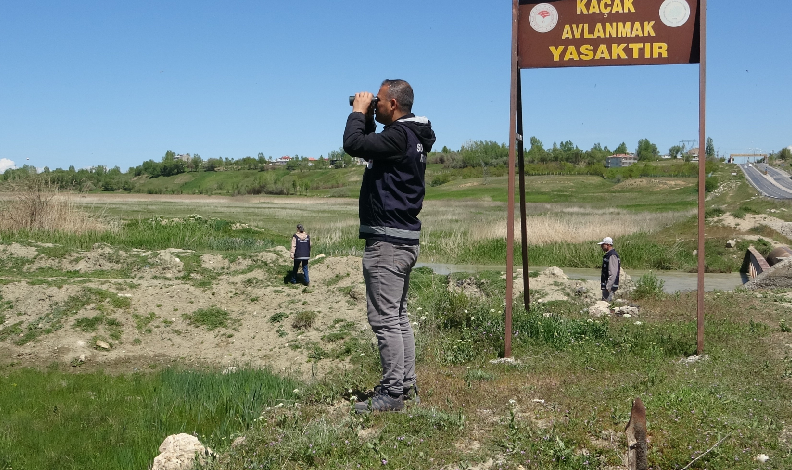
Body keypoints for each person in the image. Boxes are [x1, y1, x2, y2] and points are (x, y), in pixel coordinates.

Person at [343, 79, 436, 413]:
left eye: (378, 100)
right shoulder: (409, 137)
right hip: (403, 239)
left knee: (384, 320)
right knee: (397, 316)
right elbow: (369, 143)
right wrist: (368, 115)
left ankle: (392, 394)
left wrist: (357, 112)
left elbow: (354, 144)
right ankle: (406, 387)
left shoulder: (398, 136)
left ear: (393, 104)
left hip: (388, 242)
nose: (374, 103)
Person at [598, 237, 620, 302]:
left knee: (606, 304)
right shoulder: (609, 255)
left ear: (608, 245)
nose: (601, 246)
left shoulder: (612, 255)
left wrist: (608, 286)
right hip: (608, 287)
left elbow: (613, 273)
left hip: (609, 287)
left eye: (603, 245)